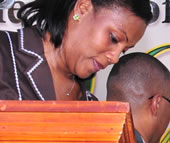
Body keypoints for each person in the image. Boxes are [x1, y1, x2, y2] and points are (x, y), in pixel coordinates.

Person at [1, 0, 150, 100]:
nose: (115, 58)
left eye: (124, 50)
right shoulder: (4, 52)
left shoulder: (93, 109)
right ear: (83, 8)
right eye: (114, 39)